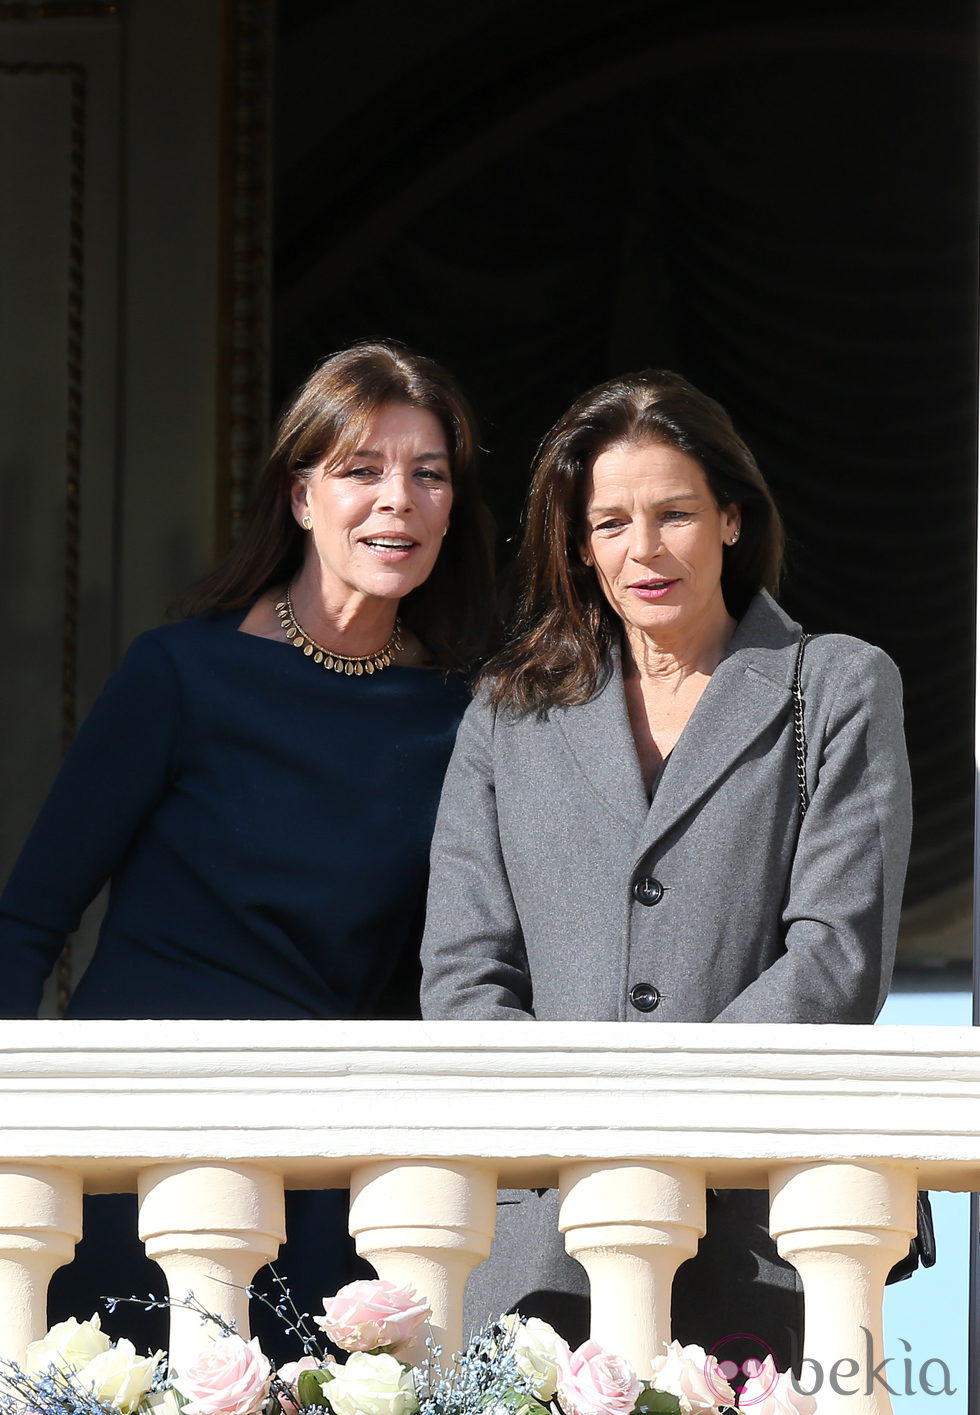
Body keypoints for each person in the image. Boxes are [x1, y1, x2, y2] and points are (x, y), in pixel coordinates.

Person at [0, 339, 495, 1352]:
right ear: (301, 494)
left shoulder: (466, 721)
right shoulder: (180, 673)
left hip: (318, 1168)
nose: (396, 499)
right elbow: (27, 920)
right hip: (126, 1146)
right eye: (361, 468)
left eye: (428, 473)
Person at [420, 369, 912, 1369]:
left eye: (673, 512)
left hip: (757, 1228)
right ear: (577, 542)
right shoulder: (505, 712)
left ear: (731, 517)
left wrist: (660, 1118)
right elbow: (463, 979)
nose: (641, 550)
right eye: (608, 523)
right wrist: (588, 1133)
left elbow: (834, 960)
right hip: (541, 1236)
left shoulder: (836, 683)